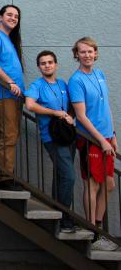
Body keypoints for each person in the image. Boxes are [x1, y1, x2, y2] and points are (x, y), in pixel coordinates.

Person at [68, 37, 118, 251]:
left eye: (90, 51)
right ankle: (93, 232)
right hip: (90, 139)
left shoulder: (100, 75)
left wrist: (112, 135)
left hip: (106, 139)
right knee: (92, 184)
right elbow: (82, 116)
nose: (87, 55)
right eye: (83, 52)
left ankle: (96, 227)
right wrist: (100, 140)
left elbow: (106, 107)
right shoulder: (76, 80)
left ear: (95, 53)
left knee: (109, 184)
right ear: (76, 54)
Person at [25, 51, 77, 233]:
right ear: (39, 67)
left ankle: (57, 211)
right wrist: (53, 113)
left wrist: (70, 116)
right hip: (52, 138)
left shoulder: (63, 83)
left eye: (50, 62)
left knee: (61, 175)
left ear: (56, 64)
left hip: (68, 136)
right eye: (43, 63)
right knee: (69, 176)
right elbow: (30, 104)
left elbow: (73, 105)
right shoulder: (37, 85)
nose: (47, 65)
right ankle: (65, 217)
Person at [0, 4, 25, 189]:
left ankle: (7, 172)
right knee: (7, 134)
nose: (13, 18)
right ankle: (3, 177)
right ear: (0, 17)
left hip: (15, 96)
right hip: (3, 93)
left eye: (16, 16)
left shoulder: (10, 40)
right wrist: (10, 82)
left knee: (12, 134)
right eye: (9, 14)